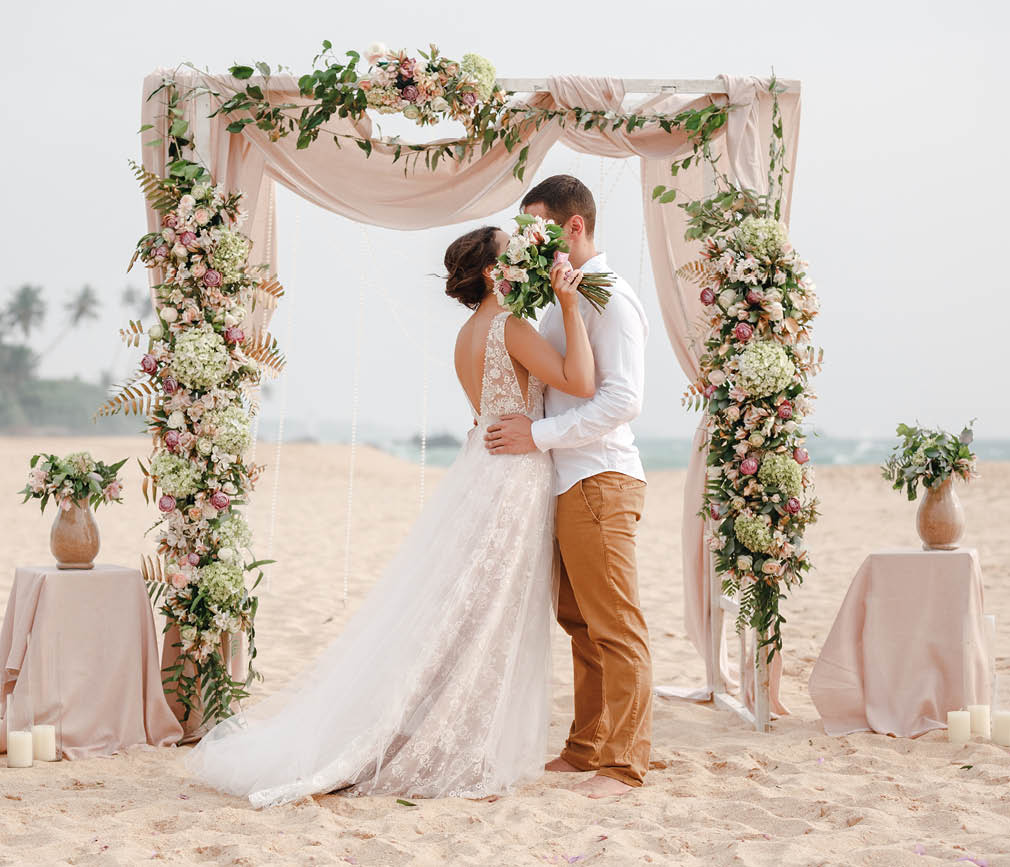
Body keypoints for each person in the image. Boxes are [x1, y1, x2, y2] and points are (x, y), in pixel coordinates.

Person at [185, 225, 594, 808]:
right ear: (492, 272)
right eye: (514, 251)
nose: (524, 257)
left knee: (468, 610)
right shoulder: (510, 327)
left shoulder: (467, 334)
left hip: (483, 467)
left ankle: (437, 726)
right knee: (490, 615)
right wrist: (570, 306)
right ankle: (454, 740)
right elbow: (581, 381)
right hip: (512, 477)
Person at [485, 175, 652, 798]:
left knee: (616, 626)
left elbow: (623, 400)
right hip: (566, 480)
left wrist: (539, 435)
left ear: (573, 227)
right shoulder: (565, 297)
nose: (529, 240)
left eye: (538, 228)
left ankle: (624, 764)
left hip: (600, 477)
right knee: (579, 623)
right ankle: (587, 748)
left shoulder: (612, 298)